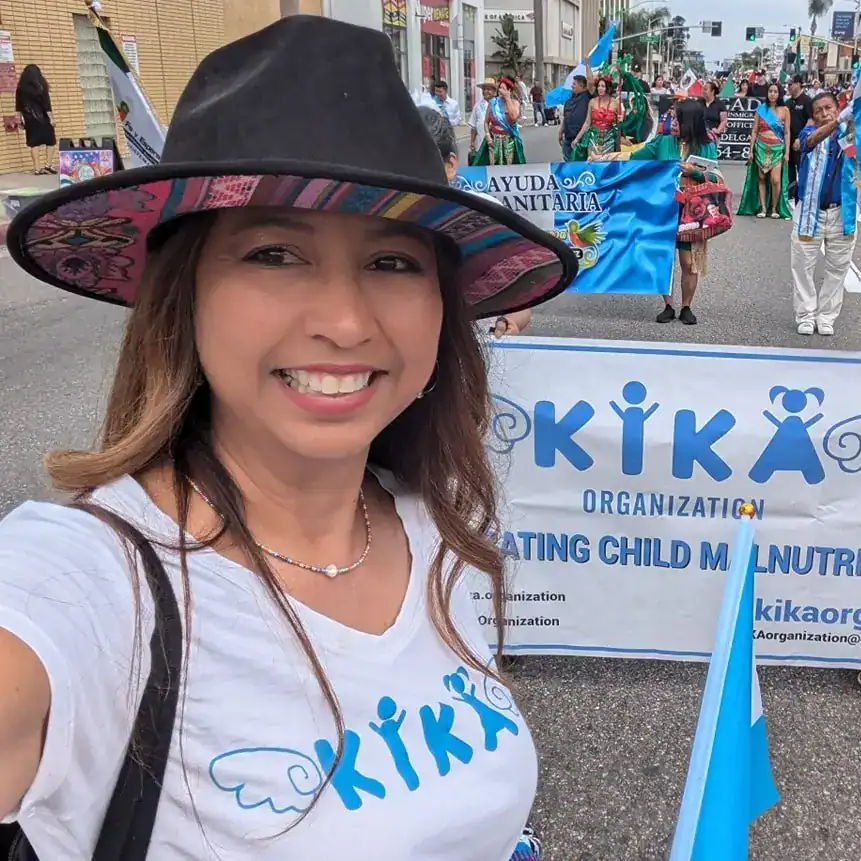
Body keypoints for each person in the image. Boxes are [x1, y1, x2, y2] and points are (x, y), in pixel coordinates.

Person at [0, 16, 579, 860]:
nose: (345, 322)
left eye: (392, 263)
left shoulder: (445, 525)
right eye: (274, 253)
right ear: (184, 291)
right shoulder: (88, 584)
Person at [593, 99, 721, 325]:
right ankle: (669, 305)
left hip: (692, 212)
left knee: (689, 263)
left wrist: (697, 173)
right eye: (671, 117)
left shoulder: (706, 146)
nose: (671, 122)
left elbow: (717, 178)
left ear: (689, 121)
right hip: (662, 210)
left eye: (677, 119)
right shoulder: (662, 141)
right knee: (663, 259)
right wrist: (601, 160)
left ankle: (687, 306)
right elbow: (634, 158)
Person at [417, 106, 533, 337]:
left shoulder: (488, 216)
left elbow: (521, 303)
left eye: (421, 164)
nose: (410, 176)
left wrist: (510, 319)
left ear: (450, 165)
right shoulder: (374, 221)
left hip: (474, 348)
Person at [790, 93, 857, 336]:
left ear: (838, 107)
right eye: (818, 110)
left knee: (837, 268)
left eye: (829, 107)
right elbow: (809, 143)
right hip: (810, 212)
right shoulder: (809, 133)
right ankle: (806, 314)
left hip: (842, 213)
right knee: (802, 266)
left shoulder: (851, 135)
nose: (824, 113)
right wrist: (838, 121)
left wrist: (851, 122)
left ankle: (826, 316)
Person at [738, 82, 792, 219]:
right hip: (761, 146)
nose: (772, 94)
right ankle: (762, 208)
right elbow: (754, 131)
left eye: (775, 91)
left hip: (777, 148)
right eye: (770, 91)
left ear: (779, 93)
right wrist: (750, 150)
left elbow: (786, 132)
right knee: (761, 178)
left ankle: (774, 208)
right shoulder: (761, 109)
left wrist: (787, 152)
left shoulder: (785, 110)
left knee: (775, 180)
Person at [14, 64, 56, 175]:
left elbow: (18, 106)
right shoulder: (41, 86)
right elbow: (47, 105)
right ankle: (48, 165)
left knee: (34, 144)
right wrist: (52, 118)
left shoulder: (20, 89)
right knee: (51, 142)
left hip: (29, 120)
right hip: (43, 118)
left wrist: (19, 119)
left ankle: (37, 168)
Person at [474, 76, 526, 166]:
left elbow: (514, 117)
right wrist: (488, 137)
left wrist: (508, 99)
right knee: (493, 167)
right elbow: (486, 122)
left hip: (509, 141)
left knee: (508, 168)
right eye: (500, 88)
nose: (501, 90)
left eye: (503, 88)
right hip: (494, 140)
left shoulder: (515, 103)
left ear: (509, 90)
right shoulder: (493, 102)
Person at [571, 75, 622, 159]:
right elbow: (587, 122)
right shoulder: (592, 102)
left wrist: (619, 141)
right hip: (593, 137)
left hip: (609, 138)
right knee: (592, 164)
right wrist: (577, 139)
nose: (600, 88)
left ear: (608, 88)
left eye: (603, 86)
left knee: (607, 165)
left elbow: (619, 124)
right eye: (598, 86)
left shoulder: (615, 103)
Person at [560, 66, 594, 160]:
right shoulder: (569, 101)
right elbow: (565, 117)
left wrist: (587, 63)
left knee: (579, 166)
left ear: (582, 86)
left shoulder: (587, 97)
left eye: (574, 84)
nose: (572, 86)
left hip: (581, 140)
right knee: (567, 164)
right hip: (568, 139)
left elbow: (590, 81)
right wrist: (560, 131)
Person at [785, 74, 813, 190]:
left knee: (801, 168)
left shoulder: (807, 100)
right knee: (789, 170)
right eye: (788, 85)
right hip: (788, 141)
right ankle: (791, 194)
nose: (789, 87)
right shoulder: (788, 102)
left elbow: (811, 120)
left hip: (800, 141)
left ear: (798, 84)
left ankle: (803, 193)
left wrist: (800, 138)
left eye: (791, 84)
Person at [468, 77, 497, 164]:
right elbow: (473, 126)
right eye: (484, 89)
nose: (485, 91)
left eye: (489, 89)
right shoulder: (477, 105)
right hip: (480, 144)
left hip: (495, 144)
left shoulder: (498, 104)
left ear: (494, 92)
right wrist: (472, 142)